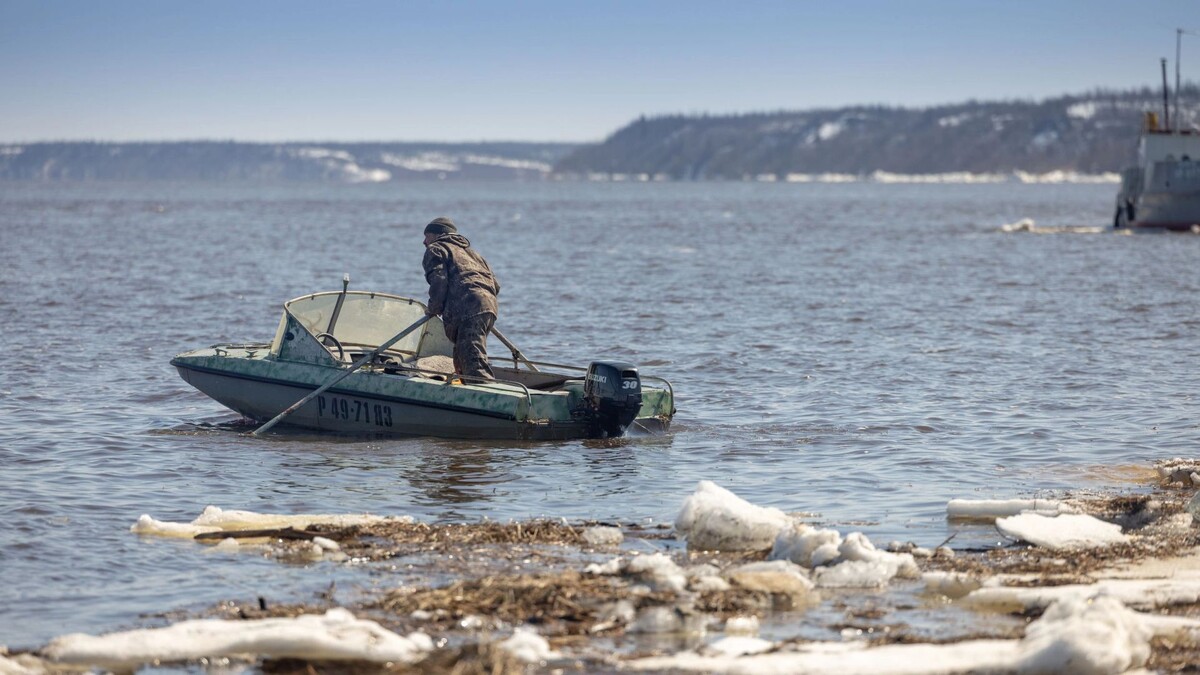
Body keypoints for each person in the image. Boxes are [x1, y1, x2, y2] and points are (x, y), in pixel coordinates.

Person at [421, 217, 500, 381]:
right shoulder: (473, 254)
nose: (424, 242)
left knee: (473, 364)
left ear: (437, 235)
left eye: (426, 236)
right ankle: (465, 391)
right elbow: (496, 285)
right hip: (489, 306)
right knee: (463, 357)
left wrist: (433, 308)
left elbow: (439, 280)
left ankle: (485, 396)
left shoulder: (436, 249)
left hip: (467, 309)